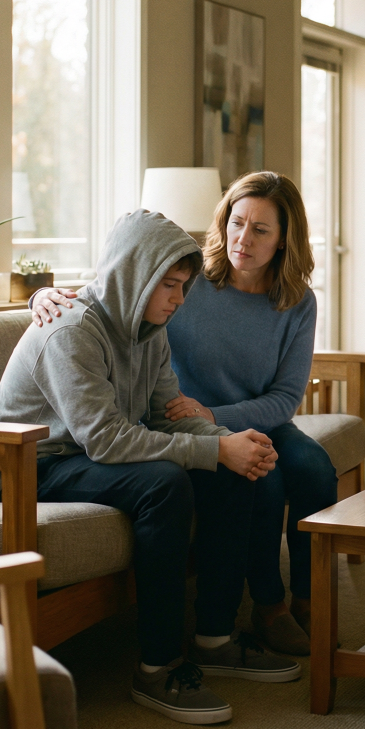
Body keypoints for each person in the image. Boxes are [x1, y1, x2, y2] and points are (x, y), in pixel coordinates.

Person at [0, 209, 301, 726]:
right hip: (31, 469)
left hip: (86, 458)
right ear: (135, 276)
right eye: (171, 286)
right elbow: (105, 438)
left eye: (184, 286)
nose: (180, 299)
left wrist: (229, 444)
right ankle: (158, 668)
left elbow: (164, 414)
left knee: (231, 467)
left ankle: (215, 637)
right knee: (165, 483)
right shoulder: (70, 331)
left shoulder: (150, 329)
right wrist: (215, 449)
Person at [32, 172, 332, 658]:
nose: (244, 238)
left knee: (311, 468)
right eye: (237, 223)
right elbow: (104, 291)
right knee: (256, 476)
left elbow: (285, 396)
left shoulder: (292, 302)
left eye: (261, 230)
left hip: (228, 417)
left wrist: (218, 425)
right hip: (147, 429)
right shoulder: (184, 286)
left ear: (283, 240)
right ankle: (264, 608)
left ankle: (300, 605)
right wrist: (41, 294)